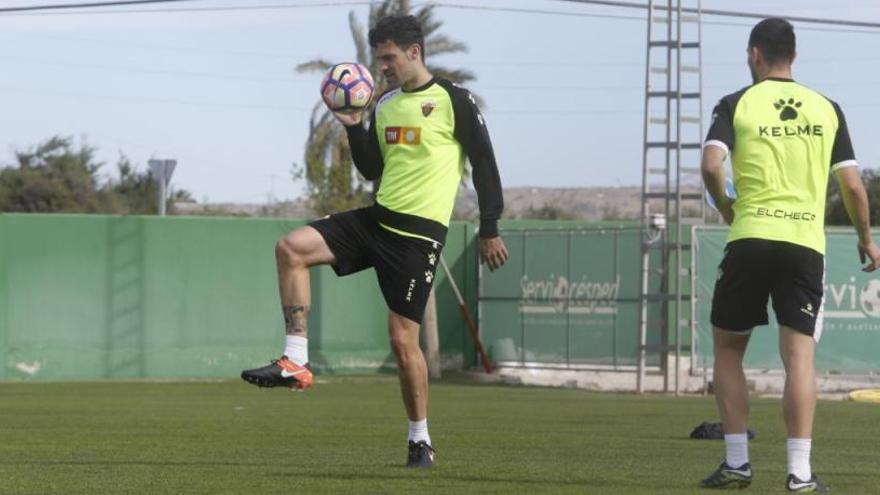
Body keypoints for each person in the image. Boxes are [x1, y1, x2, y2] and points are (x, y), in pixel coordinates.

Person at [240, 14, 509, 468]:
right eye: (378, 58)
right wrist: (351, 123)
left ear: (414, 52)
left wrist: (489, 228)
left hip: (417, 238)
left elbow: (484, 164)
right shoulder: (383, 105)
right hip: (376, 220)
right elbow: (370, 168)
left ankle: (420, 439)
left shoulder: (452, 100)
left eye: (388, 58)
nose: (381, 66)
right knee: (291, 248)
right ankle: (296, 361)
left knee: (403, 344)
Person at [700, 17, 880, 492]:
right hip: (804, 243)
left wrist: (724, 206)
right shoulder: (827, 107)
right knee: (799, 358)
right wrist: (865, 238)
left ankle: (737, 462)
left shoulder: (735, 103)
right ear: (794, 57)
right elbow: (854, 188)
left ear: (754, 54)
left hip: (750, 234)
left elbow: (711, 165)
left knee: (728, 348)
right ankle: (799, 473)